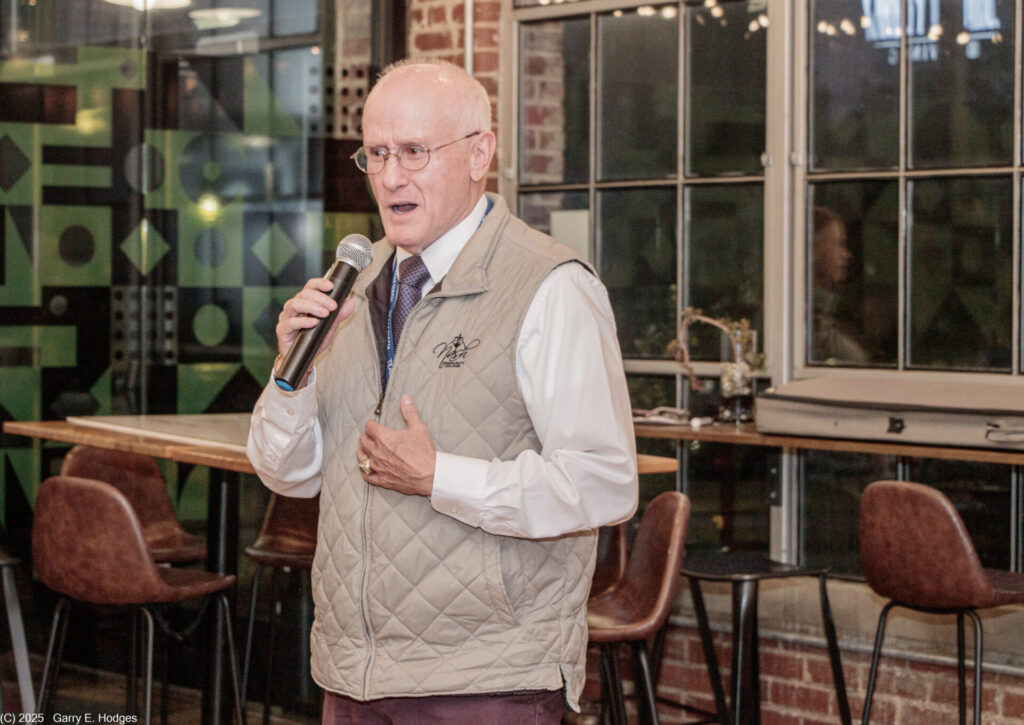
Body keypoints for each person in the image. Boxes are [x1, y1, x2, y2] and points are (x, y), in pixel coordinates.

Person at [246, 58, 638, 724]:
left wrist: (440, 476)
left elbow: (605, 482)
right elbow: (288, 472)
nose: (391, 176)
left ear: (479, 153)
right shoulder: (355, 282)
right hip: (352, 671)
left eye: (415, 152)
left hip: (487, 677)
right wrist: (295, 374)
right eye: (376, 153)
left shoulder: (549, 286)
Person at [811, 205, 869, 364]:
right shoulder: (794, 316)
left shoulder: (826, 309)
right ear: (813, 249)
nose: (846, 255)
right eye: (839, 244)